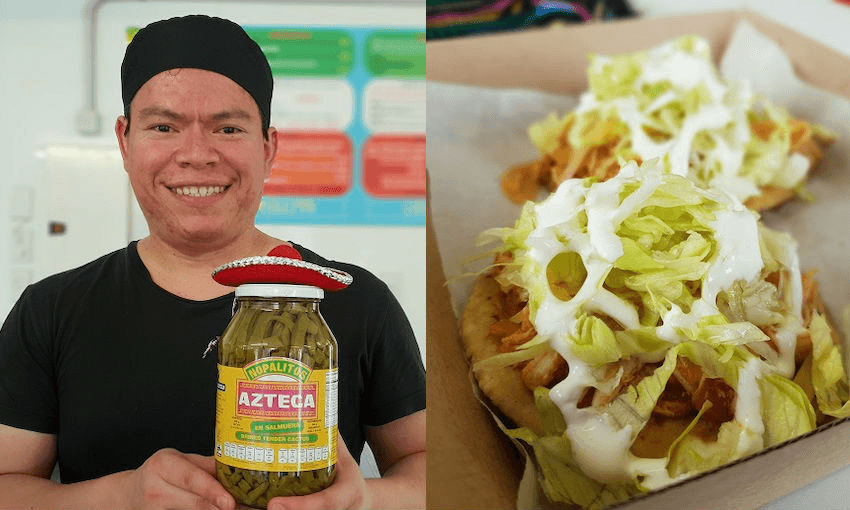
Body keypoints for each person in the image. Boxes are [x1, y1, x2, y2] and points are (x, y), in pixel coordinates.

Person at [0, 14, 426, 510]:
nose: (196, 155)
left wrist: (368, 501)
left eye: (227, 127)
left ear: (268, 149)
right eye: (163, 126)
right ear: (124, 141)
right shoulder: (49, 311)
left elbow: (425, 463)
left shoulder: (355, 300)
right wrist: (121, 496)